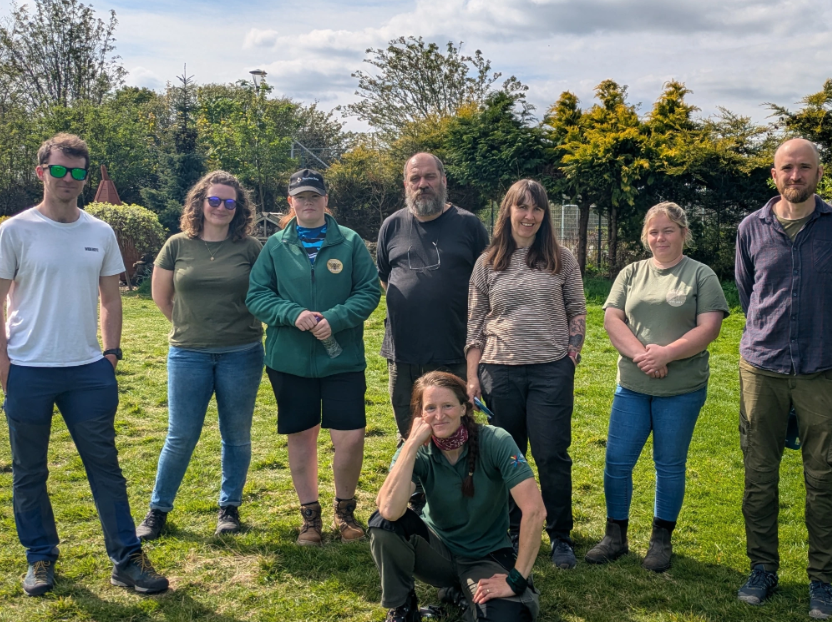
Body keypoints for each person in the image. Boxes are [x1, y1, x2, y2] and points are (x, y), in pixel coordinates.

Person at [0, 133, 168, 596]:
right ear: (42, 172)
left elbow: (111, 299)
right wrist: (3, 362)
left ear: (86, 177)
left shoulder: (99, 232)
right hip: (28, 369)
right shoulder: (16, 230)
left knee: (106, 468)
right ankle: (40, 558)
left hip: (88, 371)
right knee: (29, 471)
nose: (69, 179)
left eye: (77, 172)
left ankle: (126, 558)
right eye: (60, 170)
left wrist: (111, 354)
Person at [734, 138, 832, 619]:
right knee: (759, 475)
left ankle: (821, 581)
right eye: (786, 168)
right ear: (773, 174)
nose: (795, 176)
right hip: (762, 367)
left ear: (818, 173)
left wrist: (819, 331)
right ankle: (762, 569)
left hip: (822, 370)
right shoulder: (751, 228)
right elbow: (749, 293)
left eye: (804, 167)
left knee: (823, 476)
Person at [585, 202, 729, 571]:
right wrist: (643, 357)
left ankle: (660, 542)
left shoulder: (700, 274)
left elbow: (709, 328)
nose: (660, 237)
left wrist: (666, 354)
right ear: (645, 236)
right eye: (653, 231)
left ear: (683, 233)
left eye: (668, 230)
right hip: (632, 386)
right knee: (617, 463)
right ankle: (614, 537)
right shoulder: (631, 273)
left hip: (681, 389)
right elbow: (612, 319)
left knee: (668, 465)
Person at [246, 169, 381, 546]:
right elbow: (257, 296)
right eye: (300, 197)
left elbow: (369, 292)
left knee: (350, 438)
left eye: (314, 196)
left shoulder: (350, 242)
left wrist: (335, 319)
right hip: (290, 362)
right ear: (290, 202)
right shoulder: (274, 246)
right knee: (302, 438)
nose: (308, 203)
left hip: (342, 360)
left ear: (325, 200)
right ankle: (310, 517)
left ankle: (345, 512)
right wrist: (292, 314)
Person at [367, 371, 545, 622]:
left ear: (464, 407)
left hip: (485, 556)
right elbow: (389, 510)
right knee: (383, 524)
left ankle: (464, 596)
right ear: (420, 414)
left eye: (448, 405)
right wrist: (411, 445)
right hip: (437, 553)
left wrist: (516, 578)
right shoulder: (417, 450)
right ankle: (402, 610)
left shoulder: (496, 440)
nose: (439, 415)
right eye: (430, 408)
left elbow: (535, 511)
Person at [134, 171, 263, 541]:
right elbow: (161, 296)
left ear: (238, 209)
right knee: (181, 435)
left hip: (242, 352)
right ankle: (158, 510)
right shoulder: (177, 245)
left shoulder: (250, 247)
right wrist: (192, 325)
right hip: (188, 354)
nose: (221, 207)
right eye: (214, 200)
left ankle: (229, 508)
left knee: (235, 435)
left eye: (229, 202)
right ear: (200, 203)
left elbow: (265, 292)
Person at [465, 179, 587, 570]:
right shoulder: (488, 262)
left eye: (537, 209)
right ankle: (514, 529)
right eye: (522, 207)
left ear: (544, 215)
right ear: (509, 212)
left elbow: (577, 308)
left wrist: (571, 355)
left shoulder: (561, 258)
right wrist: (472, 376)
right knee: (508, 456)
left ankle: (560, 534)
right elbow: (475, 323)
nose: (529, 216)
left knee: (552, 454)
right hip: (499, 371)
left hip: (551, 371)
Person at [377, 153, 490, 442]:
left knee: (455, 431)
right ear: (406, 184)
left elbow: (488, 281)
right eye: (415, 178)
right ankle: (414, 485)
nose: (422, 184)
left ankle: (457, 485)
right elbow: (384, 276)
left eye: (429, 176)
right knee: (409, 431)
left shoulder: (469, 225)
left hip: (454, 350)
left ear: (443, 180)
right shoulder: (391, 226)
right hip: (403, 354)